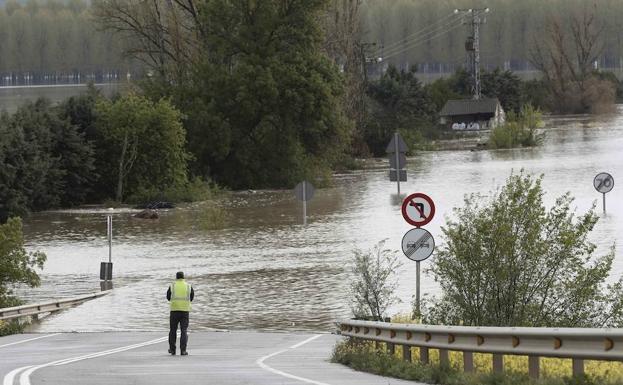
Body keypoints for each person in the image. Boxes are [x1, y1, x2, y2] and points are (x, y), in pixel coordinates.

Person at [166, 271, 194, 355]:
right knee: (184, 331)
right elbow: (191, 297)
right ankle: (183, 350)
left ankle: (172, 349)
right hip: (185, 311)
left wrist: (175, 302)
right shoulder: (188, 286)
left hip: (174, 310)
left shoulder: (172, 286)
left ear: (176, 277)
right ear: (183, 277)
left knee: (173, 330)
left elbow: (168, 297)